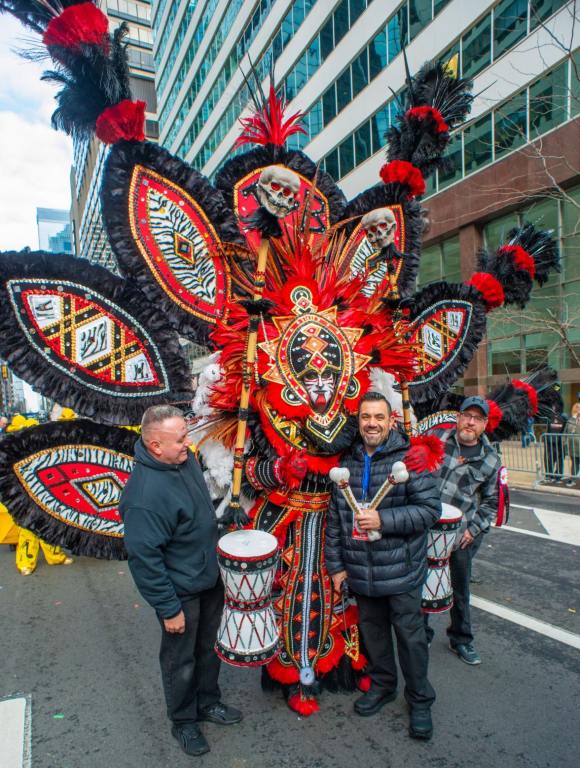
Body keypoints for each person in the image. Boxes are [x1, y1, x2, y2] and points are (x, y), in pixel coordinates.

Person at [119, 405, 242, 757]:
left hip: (207, 577)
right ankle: (184, 721)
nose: (188, 443)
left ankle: (208, 702)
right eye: (180, 439)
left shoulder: (182, 459)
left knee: (209, 648)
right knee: (180, 660)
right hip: (180, 592)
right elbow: (145, 560)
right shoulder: (143, 496)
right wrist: (169, 608)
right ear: (155, 445)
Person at [325, 392, 441, 741]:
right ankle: (383, 685)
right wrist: (336, 566)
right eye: (365, 417)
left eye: (378, 417)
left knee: (411, 639)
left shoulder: (411, 458)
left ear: (391, 420)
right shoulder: (350, 458)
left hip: (401, 570)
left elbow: (429, 511)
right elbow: (336, 518)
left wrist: (382, 519)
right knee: (373, 634)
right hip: (361, 570)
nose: (371, 423)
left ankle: (420, 700)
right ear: (358, 421)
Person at [427, 396, 502, 665]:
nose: (470, 421)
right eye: (466, 415)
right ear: (458, 417)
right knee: (422, 581)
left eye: (477, 418)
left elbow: (493, 502)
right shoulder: (437, 438)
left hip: (460, 536)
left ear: (484, 424)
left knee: (459, 588)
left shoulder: (491, 460)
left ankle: (461, 639)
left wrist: (473, 529)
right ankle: (421, 631)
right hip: (427, 527)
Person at [543, 405, 567, 482]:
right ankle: (549, 475)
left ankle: (558, 476)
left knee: (559, 459)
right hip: (550, 442)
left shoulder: (564, 417)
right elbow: (548, 429)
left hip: (559, 442)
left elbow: (565, 430)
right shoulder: (549, 417)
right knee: (549, 459)